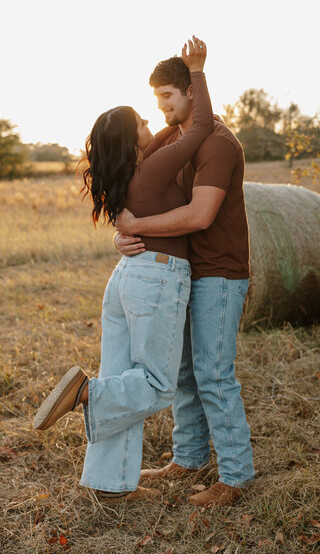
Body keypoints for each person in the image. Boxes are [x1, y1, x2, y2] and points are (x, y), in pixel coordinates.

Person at [33, 37, 213, 502]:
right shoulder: (150, 171)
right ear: (130, 138)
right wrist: (196, 71)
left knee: (122, 379)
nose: (151, 122)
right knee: (154, 386)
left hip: (126, 279)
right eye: (142, 121)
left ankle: (109, 486)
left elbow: (175, 132)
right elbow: (198, 130)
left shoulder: (125, 174)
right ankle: (87, 394)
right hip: (156, 277)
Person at [114, 54, 255, 506]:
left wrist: (137, 227)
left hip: (219, 273)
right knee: (184, 373)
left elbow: (200, 214)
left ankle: (235, 478)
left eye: (166, 97)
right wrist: (121, 232)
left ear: (191, 92)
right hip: (184, 273)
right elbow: (127, 176)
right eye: (155, 99)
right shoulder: (172, 137)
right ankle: (189, 458)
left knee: (214, 374)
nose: (159, 108)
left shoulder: (217, 143)